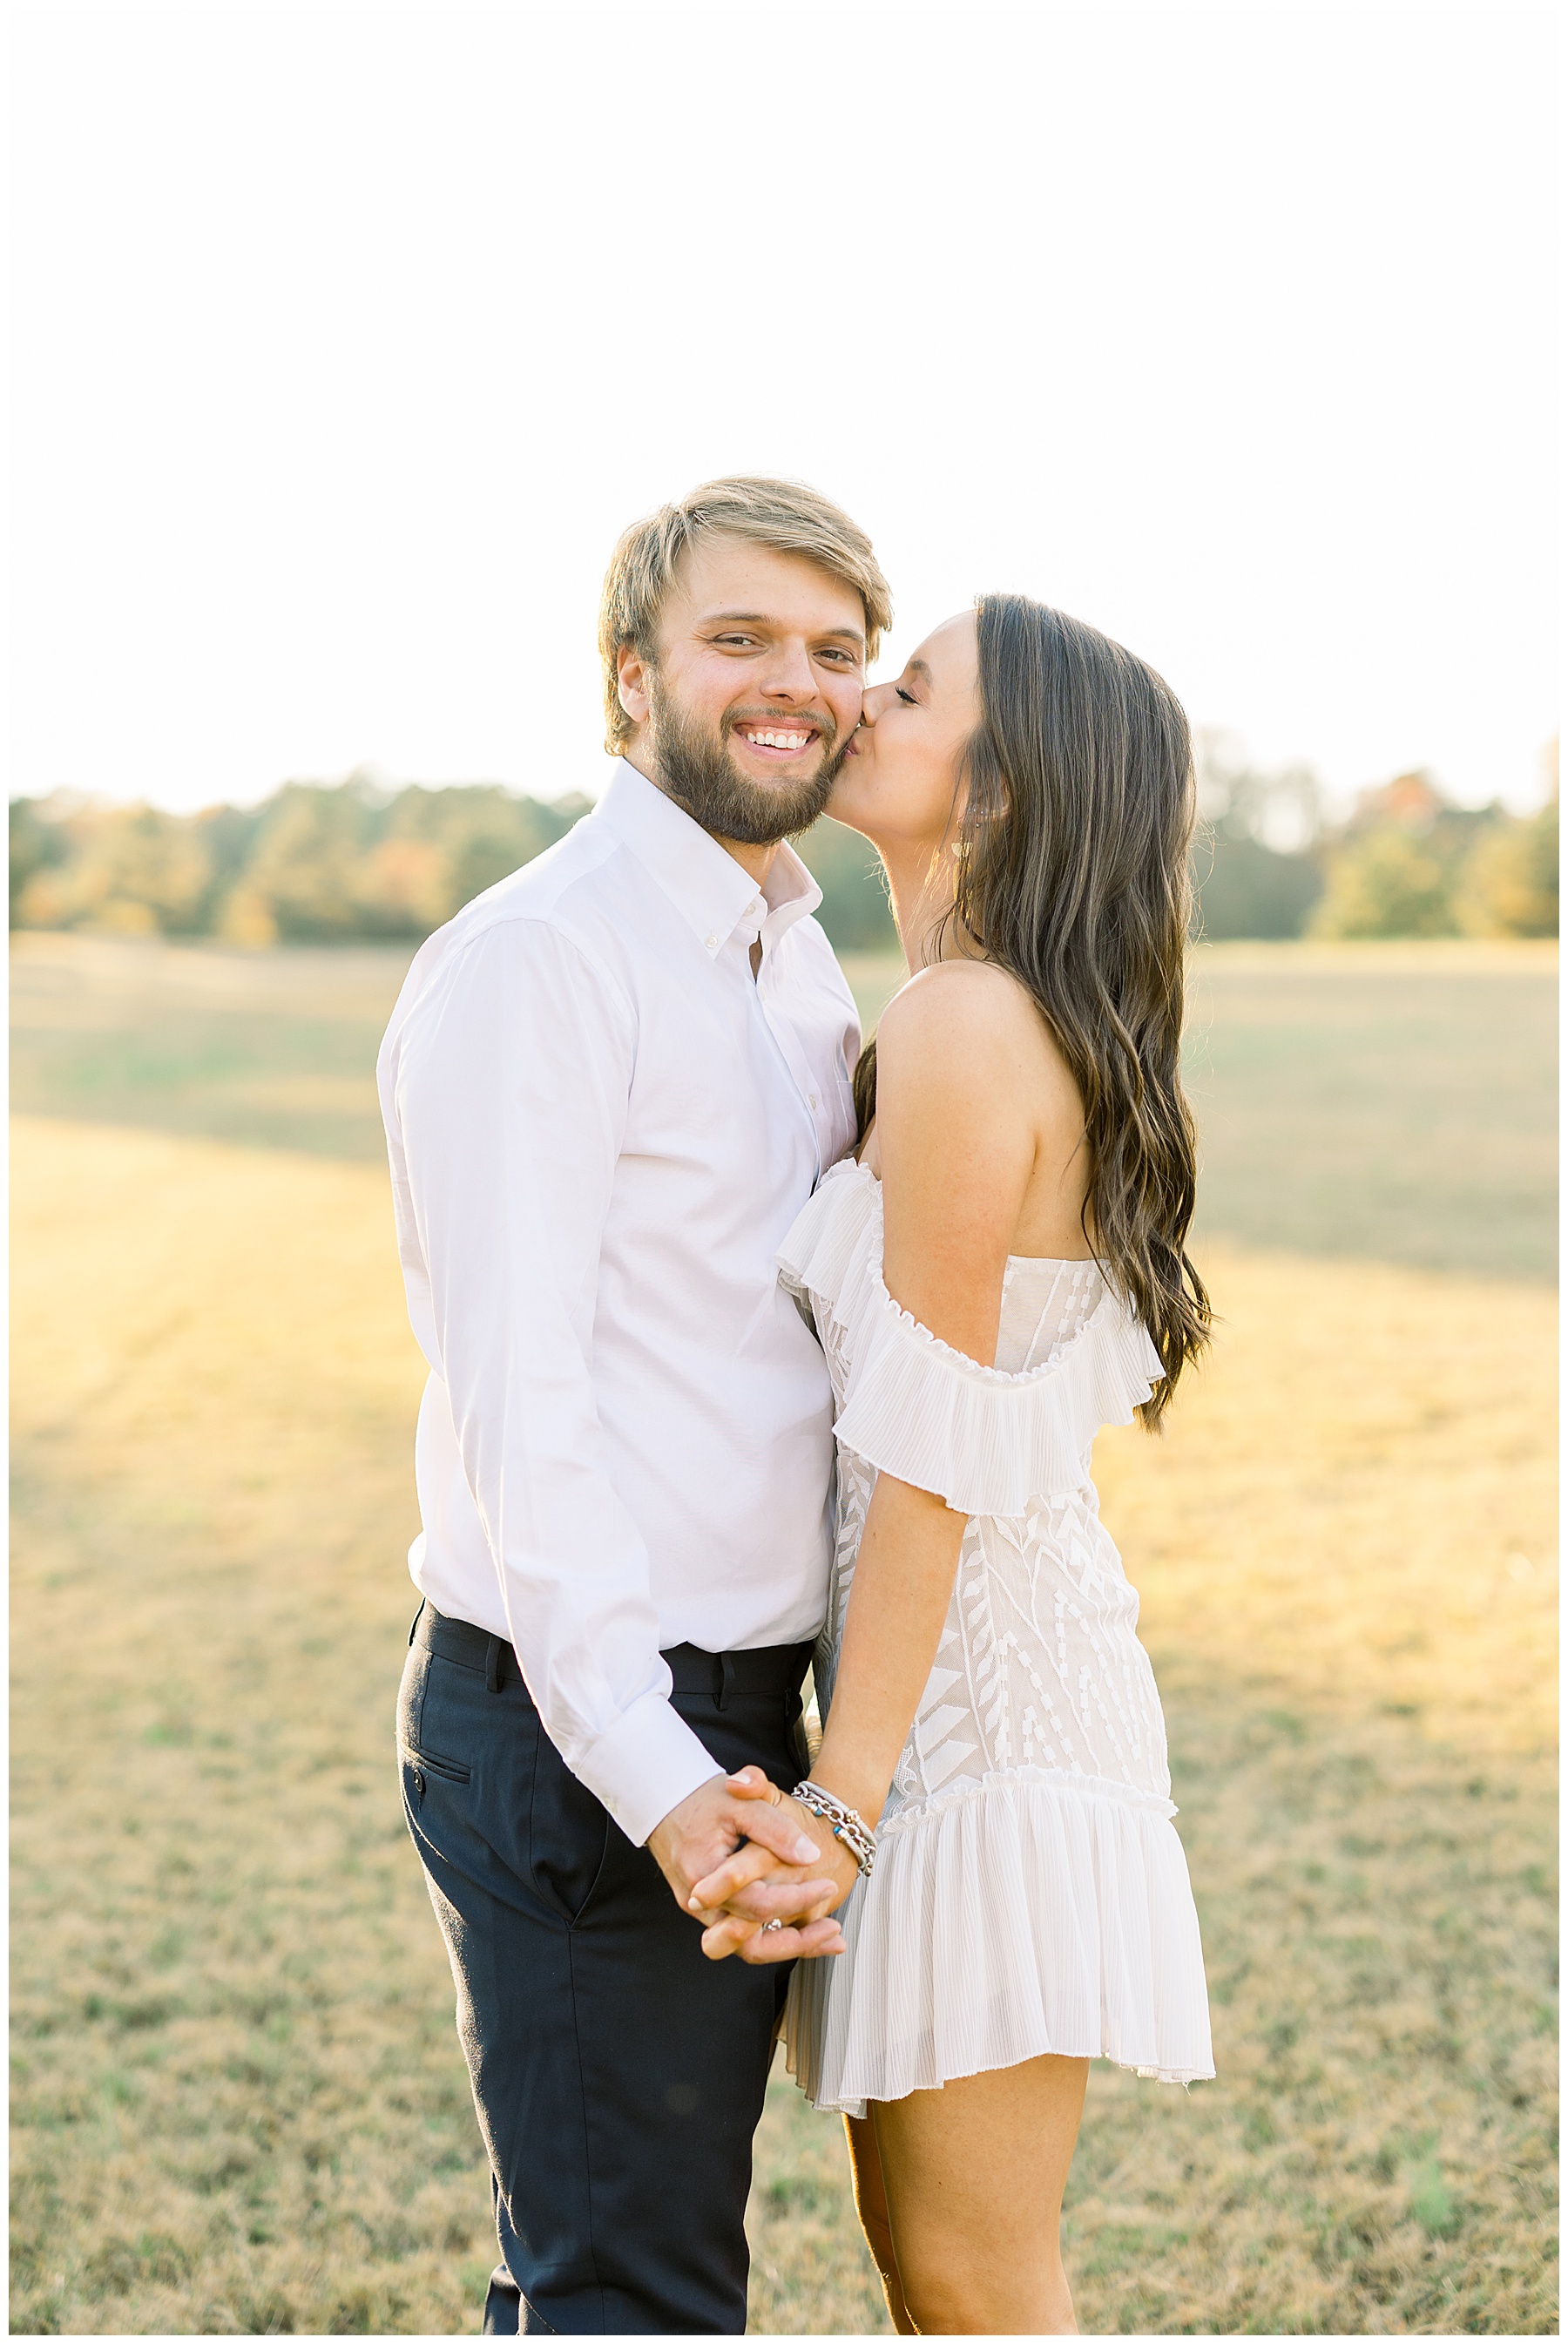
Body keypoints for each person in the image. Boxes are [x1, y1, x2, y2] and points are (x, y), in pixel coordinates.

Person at [376, 477, 893, 2334]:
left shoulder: (790, 951)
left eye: (836, 648)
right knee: (630, 2294)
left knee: (634, 2265)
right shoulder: (546, 956)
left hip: (751, 1710)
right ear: (628, 676)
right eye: (740, 638)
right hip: (593, 1716)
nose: (797, 682)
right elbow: (524, 1416)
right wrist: (667, 1786)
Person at [691, 595, 1217, 2335]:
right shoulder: (961, 1011)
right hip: (929, 1710)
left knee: (978, 2284)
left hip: (980, 1725)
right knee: (937, 2281)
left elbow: (925, 1460)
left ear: (998, 790)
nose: (856, 700)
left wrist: (842, 1800)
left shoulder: (964, 1027)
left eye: (908, 689)